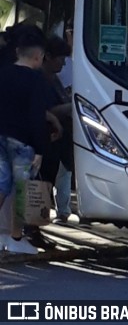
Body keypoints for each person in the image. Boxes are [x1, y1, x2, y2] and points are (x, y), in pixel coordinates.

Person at [0, 27, 50, 254]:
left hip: (0, 136)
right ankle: (16, 238)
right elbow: (36, 116)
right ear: (38, 57)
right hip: (23, 141)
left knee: (1, 184)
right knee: (22, 189)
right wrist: (40, 148)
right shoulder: (36, 79)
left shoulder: (3, 73)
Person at [40, 36, 73, 225]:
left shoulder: (54, 79)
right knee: (44, 182)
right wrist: (70, 107)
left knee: (54, 177)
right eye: (60, 59)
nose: (63, 63)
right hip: (47, 138)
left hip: (58, 140)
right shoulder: (42, 80)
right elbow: (46, 109)